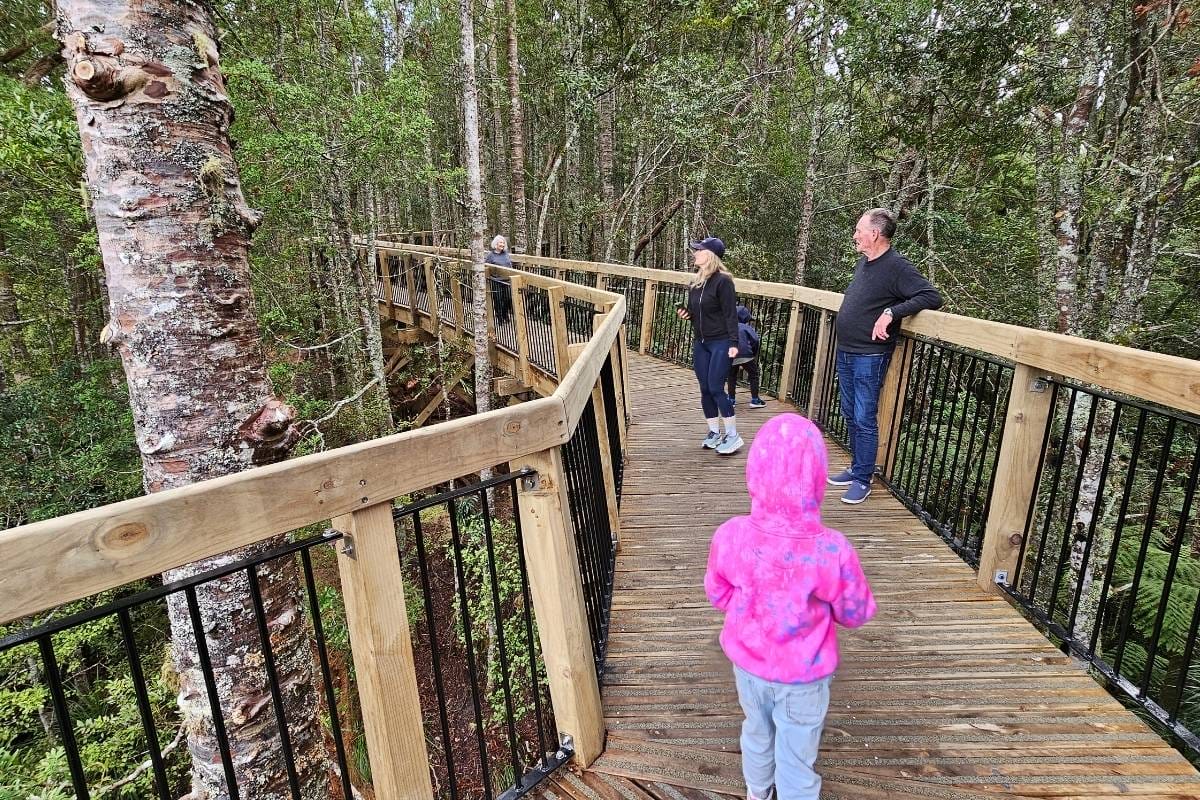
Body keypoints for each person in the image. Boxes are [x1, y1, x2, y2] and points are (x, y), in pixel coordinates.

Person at [705, 413, 876, 800]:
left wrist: (748, 609)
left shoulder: (730, 535)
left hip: (748, 665)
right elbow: (855, 612)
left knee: (757, 732)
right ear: (817, 479)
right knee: (797, 754)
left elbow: (717, 592)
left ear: (754, 471)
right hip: (804, 675)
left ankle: (757, 792)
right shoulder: (832, 549)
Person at [831, 208, 942, 505]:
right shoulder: (865, 263)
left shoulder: (897, 267)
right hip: (847, 349)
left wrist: (892, 312)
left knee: (864, 416)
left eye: (858, 230)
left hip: (870, 354)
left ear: (875, 234)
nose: (855, 235)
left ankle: (863, 478)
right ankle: (856, 467)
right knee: (848, 412)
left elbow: (930, 296)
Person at [675, 237, 743, 455]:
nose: (694, 253)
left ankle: (733, 436)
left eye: (699, 250)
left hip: (722, 342)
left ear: (710, 255)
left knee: (715, 387)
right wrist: (688, 315)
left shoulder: (723, 281)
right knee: (705, 389)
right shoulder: (695, 283)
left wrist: (734, 343)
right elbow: (699, 315)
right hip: (702, 342)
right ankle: (714, 432)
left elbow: (730, 315)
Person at [727, 304, 765, 410]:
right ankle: (755, 400)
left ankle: (731, 400)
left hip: (731, 355)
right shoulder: (747, 328)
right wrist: (753, 353)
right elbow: (755, 341)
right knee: (753, 375)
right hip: (746, 355)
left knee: (731, 377)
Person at [485, 235, 513, 322]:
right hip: (496, 280)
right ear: (496, 244)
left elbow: (510, 265)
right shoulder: (491, 255)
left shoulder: (506, 254)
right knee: (498, 300)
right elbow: (486, 266)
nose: (502, 244)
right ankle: (500, 317)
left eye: (503, 243)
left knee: (507, 299)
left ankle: (505, 315)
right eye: (500, 242)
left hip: (506, 280)